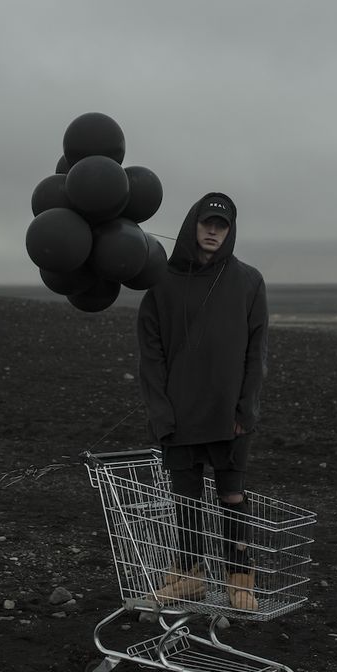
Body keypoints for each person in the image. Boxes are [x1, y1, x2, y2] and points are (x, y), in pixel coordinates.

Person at [137, 192, 268, 611]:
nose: (213, 231)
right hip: (179, 412)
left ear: (230, 232)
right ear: (192, 224)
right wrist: (161, 413)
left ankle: (240, 578)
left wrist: (244, 412)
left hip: (229, 415)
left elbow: (256, 352)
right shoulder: (161, 282)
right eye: (207, 222)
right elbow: (151, 356)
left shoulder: (249, 281)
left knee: (232, 495)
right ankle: (190, 576)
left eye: (222, 225)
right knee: (185, 498)